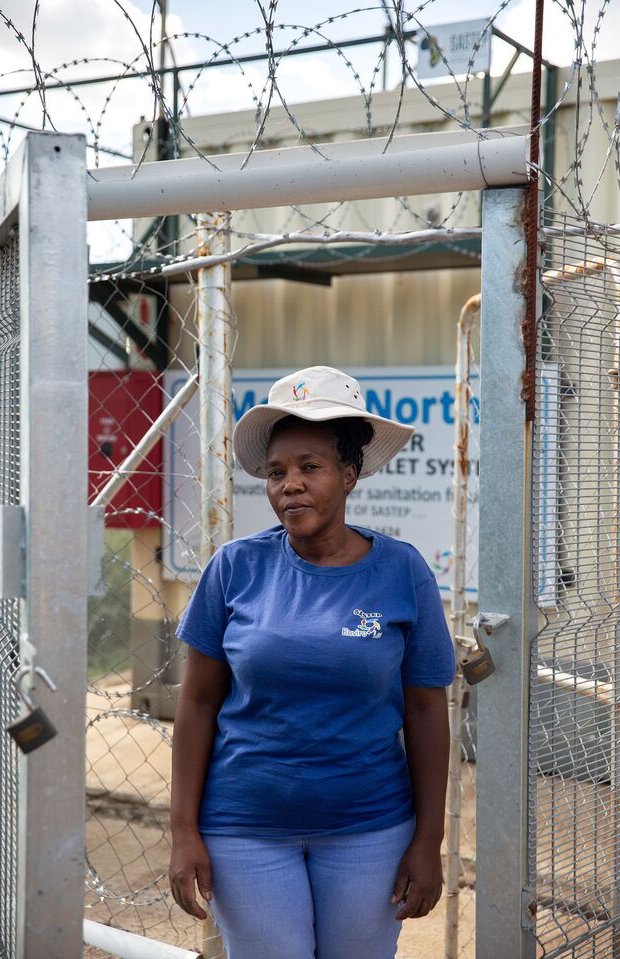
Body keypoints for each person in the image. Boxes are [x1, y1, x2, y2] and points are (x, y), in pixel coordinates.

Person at [170, 365, 456, 959]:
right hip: (243, 828)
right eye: (276, 472)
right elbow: (197, 702)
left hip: (371, 829)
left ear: (349, 476)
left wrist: (429, 840)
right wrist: (183, 832)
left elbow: (426, 710)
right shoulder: (234, 568)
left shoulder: (402, 572)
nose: (290, 485)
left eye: (310, 468)